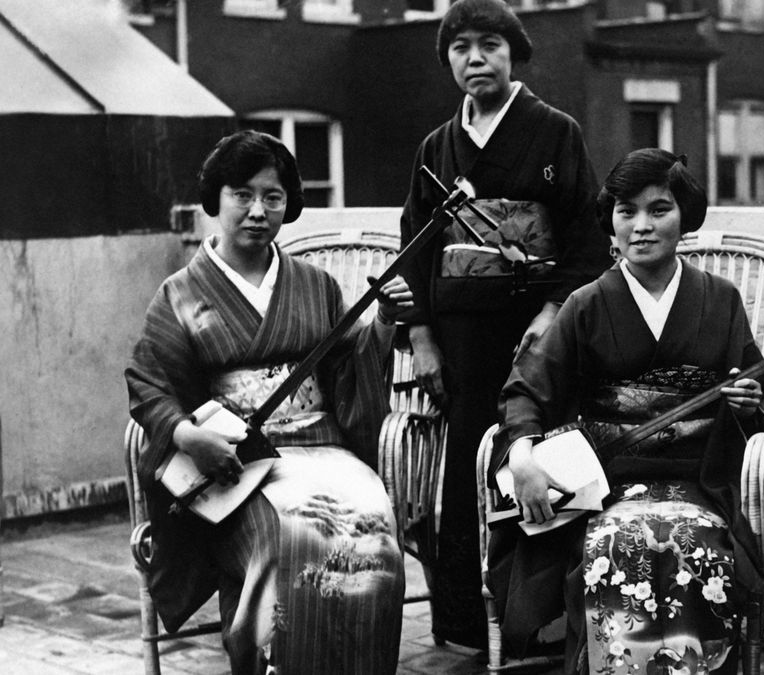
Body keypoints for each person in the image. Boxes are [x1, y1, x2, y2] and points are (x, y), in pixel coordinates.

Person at [126, 130, 409, 674]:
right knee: (294, 537)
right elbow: (149, 381)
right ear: (216, 198)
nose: (258, 210)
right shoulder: (180, 293)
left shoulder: (315, 284)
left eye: (273, 197)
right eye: (242, 194)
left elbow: (347, 366)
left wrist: (386, 323)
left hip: (324, 449)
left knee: (374, 535)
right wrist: (188, 437)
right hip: (239, 466)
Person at [489, 149, 764, 673]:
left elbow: (757, 382)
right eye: (627, 211)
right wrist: (524, 454)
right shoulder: (587, 303)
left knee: (699, 545)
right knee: (613, 543)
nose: (642, 226)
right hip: (608, 482)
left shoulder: (721, 298)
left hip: (702, 477)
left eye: (659, 209)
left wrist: (749, 397)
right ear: (611, 225)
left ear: (684, 218)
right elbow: (527, 390)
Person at [397, 0, 612, 649]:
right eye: (460, 49)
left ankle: (537, 624)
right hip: (460, 338)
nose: (474, 59)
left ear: (512, 51)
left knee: (540, 461)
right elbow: (413, 247)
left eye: (488, 45)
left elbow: (587, 235)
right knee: (462, 468)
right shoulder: (438, 144)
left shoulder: (554, 130)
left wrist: (552, 314)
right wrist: (422, 336)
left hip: (537, 334)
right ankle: (465, 623)